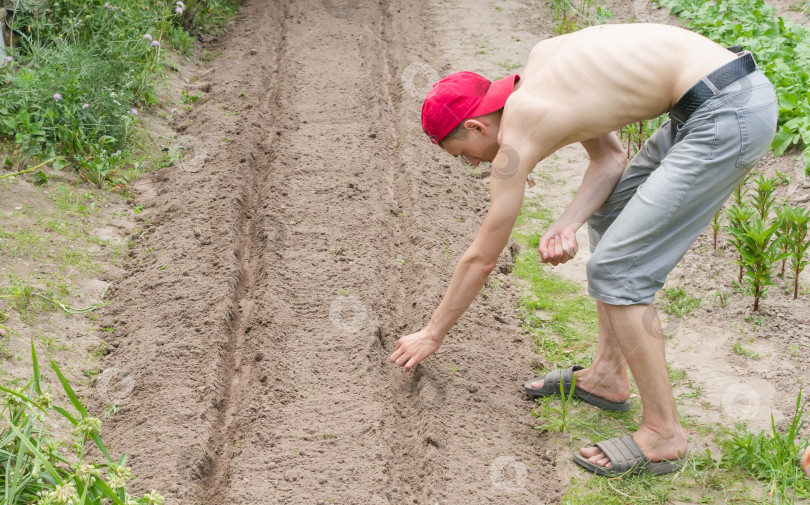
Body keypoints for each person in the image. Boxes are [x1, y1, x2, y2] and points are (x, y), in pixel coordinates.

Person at [388, 23, 778, 476]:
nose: (475, 164)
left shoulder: (519, 130)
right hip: (716, 95)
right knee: (610, 217)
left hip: (726, 111)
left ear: (475, 125)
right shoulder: (543, 70)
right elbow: (610, 159)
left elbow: (482, 256)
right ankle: (608, 376)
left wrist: (432, 333)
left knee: (617, 271)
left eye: (466, 153)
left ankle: (663, 433)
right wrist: (568, 221)